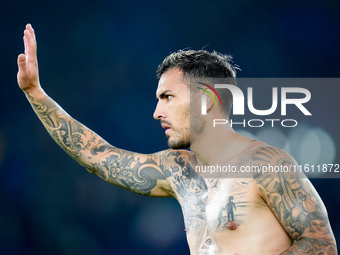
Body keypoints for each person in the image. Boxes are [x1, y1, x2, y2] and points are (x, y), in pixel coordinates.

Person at [17, 24, 337, 254]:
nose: (156, 112)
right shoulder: (178, 170)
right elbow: (98, 156)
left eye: (167, 97)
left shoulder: (267, 165)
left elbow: (321, 245)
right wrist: (35, 93)